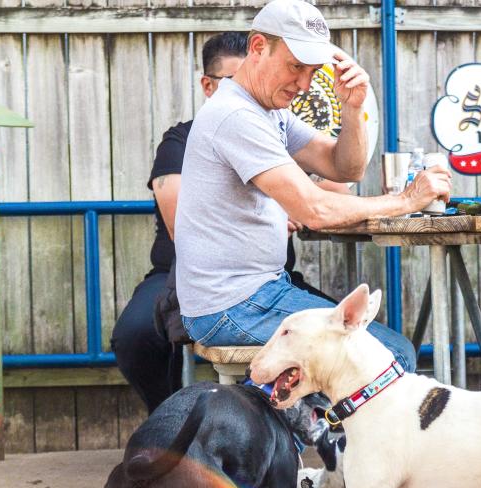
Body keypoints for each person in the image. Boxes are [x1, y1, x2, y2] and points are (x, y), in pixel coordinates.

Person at [174, 0, 450, 373]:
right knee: (391, 356)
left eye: (312, 71)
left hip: (253, 295)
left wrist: (352, 108)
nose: (304, 84)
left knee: (380, 348)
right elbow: (314, 210)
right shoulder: (236, 116)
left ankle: (310, 429)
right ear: (257, 48)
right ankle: (324, 432)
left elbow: (343, 168)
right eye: (295, 67)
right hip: (232, 306)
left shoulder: (268, 112)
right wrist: (406, 200)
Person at [110, 31, 340, 414]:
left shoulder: (274, 128)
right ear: (209, 86)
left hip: (270, 279)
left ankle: (300, 429)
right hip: (183, 272)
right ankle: (170, 423)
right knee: (134, 336)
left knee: (349, 332)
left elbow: (338, 183)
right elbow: (179, 220)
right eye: (236, 82)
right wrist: (273, 209)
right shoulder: (181, 140)